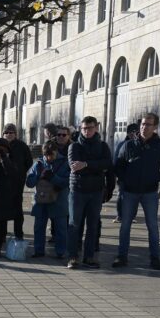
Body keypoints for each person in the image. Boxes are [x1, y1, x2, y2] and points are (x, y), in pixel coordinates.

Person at [112, 113, 160, 270]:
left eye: (148, 124)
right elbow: (118, 166)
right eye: (143, 124)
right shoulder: (129, 144)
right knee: (125, 225)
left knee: (152, 226)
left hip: (149, 192)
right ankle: (122, 256)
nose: (144, 127)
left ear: (155, 127)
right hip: (130, 192)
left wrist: (156, 177)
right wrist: (125, 179)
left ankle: (155, 258)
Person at [66, 115, 112, 269]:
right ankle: (72, 256)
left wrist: (85, 164)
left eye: (90, 128)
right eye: (84, 128)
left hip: (96, 191)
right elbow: (74, 167)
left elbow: (107, 164)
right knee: (74, 224)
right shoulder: (74, 146)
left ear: (96, 127)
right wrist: (95, 167)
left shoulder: (103, 146)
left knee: (93, 225)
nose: (86, 131)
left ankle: (89, 257)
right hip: (78, 191)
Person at [25, 141, 70, 259]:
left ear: (57, 152)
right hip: (41, 201)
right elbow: (29, 183)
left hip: (59, 201)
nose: (49, 158)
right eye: (46, 155)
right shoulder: (38, 164)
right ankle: (38, 251)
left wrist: (53, 177)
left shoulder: (65, 163)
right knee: (39, 227)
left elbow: (68, 182)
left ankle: (61, 252)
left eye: (52, 155)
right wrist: (38, 176)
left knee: (61, 229)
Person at [2, 123, 32, 238]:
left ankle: (18, 233)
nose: (9, 135)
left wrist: (20, 172)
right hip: (2, 183)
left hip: (17, 183)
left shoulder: (22, 146)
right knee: (2, 210)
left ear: (15, 134)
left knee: (17, 209)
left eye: (11, 132)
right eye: (7, 132)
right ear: (3, 134)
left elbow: (29, 161)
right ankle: (2, 234)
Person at [112, 122, 139, 224]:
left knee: (135, 197)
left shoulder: (140, 144)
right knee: (121, 195)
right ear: (128, 133)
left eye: (136, 132)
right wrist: (117, 175)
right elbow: (116, 161)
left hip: (136, 177)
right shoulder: (122, 145)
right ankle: (120, 215)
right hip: (123, 176)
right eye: (132, 132)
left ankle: (132, 216)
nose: (135, 134)